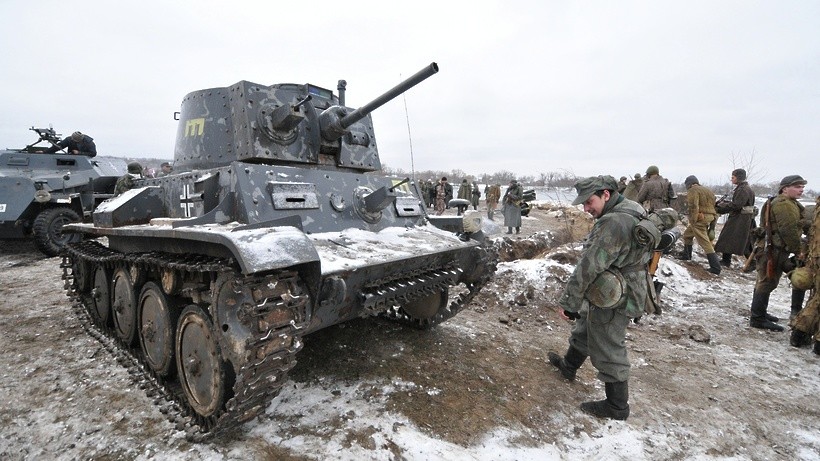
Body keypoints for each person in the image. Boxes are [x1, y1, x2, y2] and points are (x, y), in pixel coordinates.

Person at [548, 175, 652, 421]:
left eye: (589, 202)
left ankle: (617, 407)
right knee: (586, 325)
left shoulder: (613, 223)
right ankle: (569, 366)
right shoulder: (632, 207)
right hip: (619, 286)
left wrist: (569, 302)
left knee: (608, 343)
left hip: (616, 294)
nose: (586, 209)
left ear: (606, 194)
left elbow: (589, 265)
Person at [748, 175, 808, 331]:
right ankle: (757, 318)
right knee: (767, 281)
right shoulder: (784, 205)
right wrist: (798, 250)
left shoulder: (787, 202)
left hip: (774, 247)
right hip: (773, 249)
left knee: (766, 280)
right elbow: (788, 230)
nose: (801, 190)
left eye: (802, 187)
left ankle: (760, 312)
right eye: (797, 186)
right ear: (785, 188)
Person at [678, 175, 721, 274]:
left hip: (699, 218)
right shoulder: (708, 190)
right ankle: (686, 256)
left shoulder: (693, 190)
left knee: (704, 242)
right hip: (709, 217)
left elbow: (693, 205)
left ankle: (716, 267)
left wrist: (693, 220)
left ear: (689, 184)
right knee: (687, 235)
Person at [714, 169, 756, 268]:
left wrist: (721, 208)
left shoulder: (743, 189)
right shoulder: (746, 188)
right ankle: (751, 262)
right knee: (744, 241)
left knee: (727, 237)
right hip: (744, 218)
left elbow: (737, 205)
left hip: (739, 218)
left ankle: (727, 261)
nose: (731, 179)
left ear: (738, 177)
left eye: (733, 177)